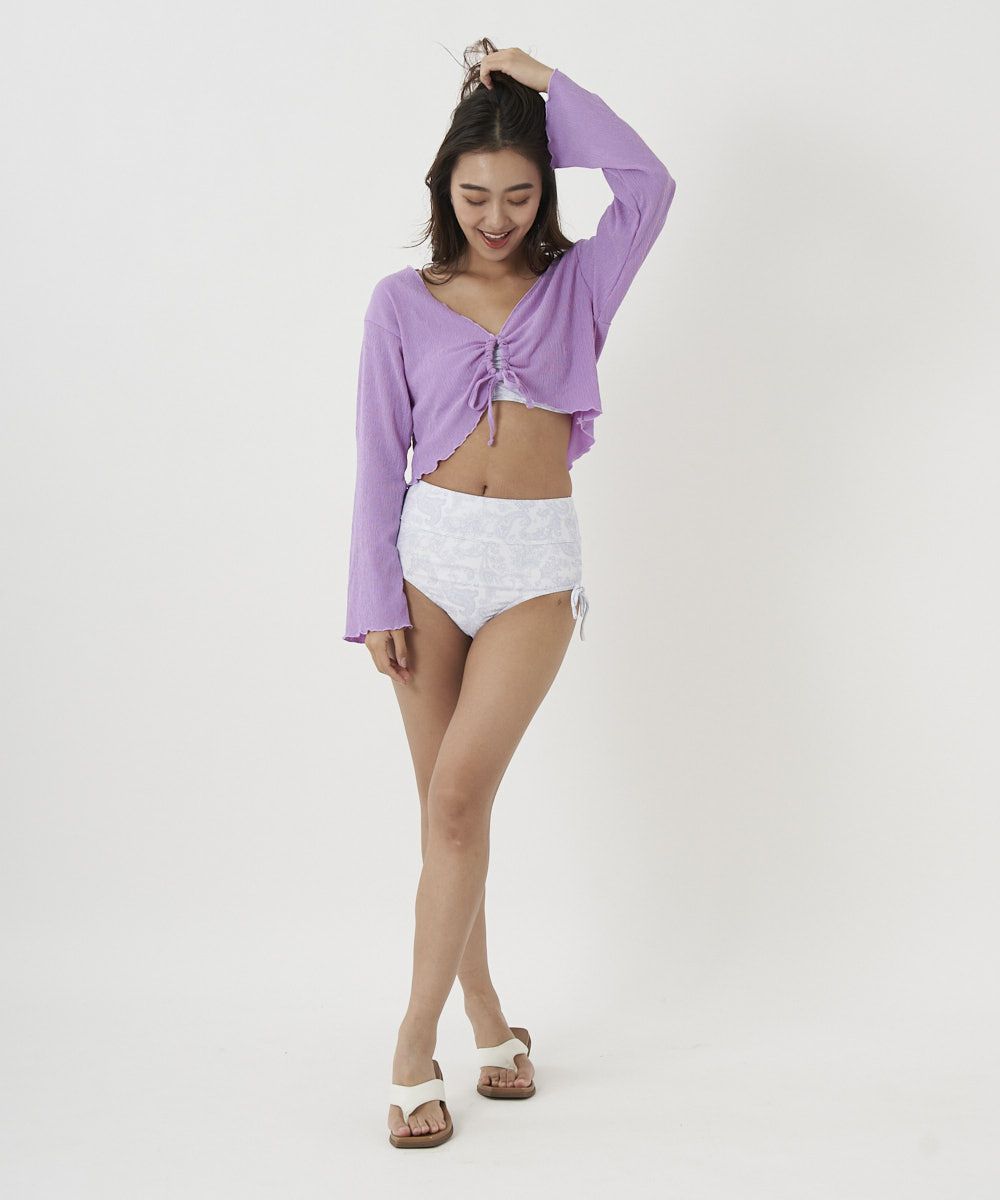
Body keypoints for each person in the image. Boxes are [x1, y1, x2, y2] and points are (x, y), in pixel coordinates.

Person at [342, 40, 677, 1148]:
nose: (494, 217)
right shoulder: (401, 301)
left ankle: (411, 1044)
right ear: (444, 188)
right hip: (426, 563)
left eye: (519, 195)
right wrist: (373, 596)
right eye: (474, 194)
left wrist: (542, 84)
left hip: (533, 567)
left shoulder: (581, 281)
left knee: (457, 802)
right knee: (451, 815)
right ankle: (485, 1015)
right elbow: (375, 453)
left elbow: (649, 183)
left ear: (546, 191)